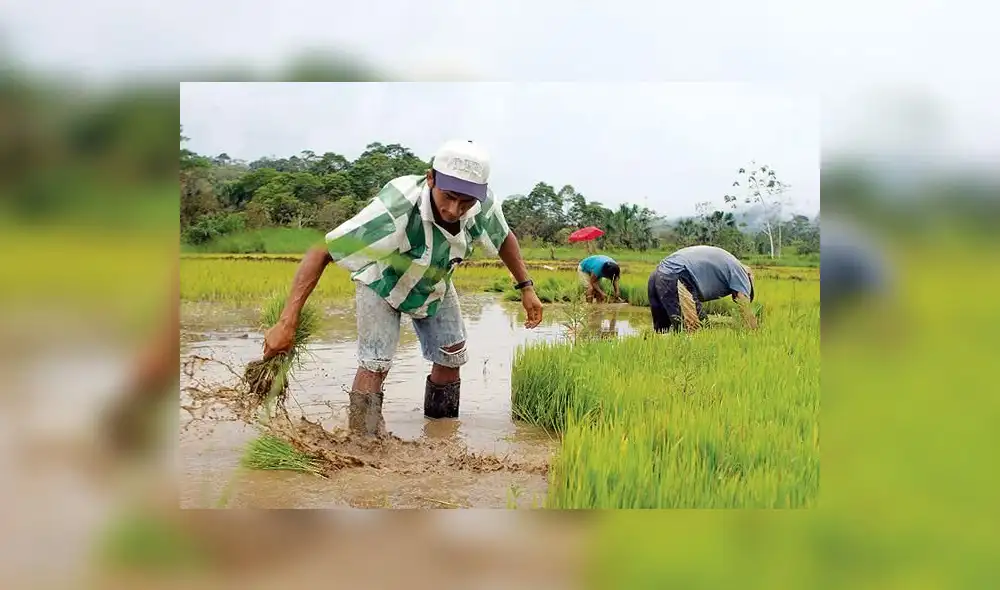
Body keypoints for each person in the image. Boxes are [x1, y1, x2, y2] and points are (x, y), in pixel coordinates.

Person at [262, 139, 544, 438]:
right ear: (431, 178)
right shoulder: (395, 208)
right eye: (448, 196)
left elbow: (503, 238)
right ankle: (364, 442)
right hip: (381, 282)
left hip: (434, 281)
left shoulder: (483, 205)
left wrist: (526, 287)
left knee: (451, 356)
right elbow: (321, 251)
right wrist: (286, 321)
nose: (454, 209)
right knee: (376, 362)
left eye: (466, 202)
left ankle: (441, 437)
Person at [648, 245, 757, 332]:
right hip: (677, 276)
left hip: (658, 274)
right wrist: (755, 333)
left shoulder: (730, 262)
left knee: (663, 332)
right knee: (699, 330)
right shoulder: (741, 273)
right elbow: (744, 306)